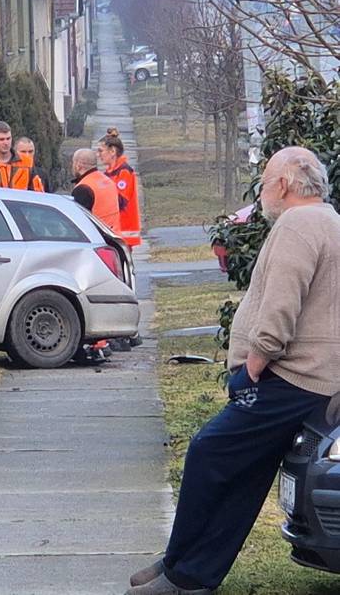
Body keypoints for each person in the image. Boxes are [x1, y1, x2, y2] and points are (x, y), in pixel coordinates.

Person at [125, 147, 340, 595]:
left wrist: (254, 364)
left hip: (292, 376)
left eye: (265, 182)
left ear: (283, 184)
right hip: (317, 378)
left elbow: (281, 305)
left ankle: (180, 567)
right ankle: (188, 570)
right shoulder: (330, 220)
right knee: (245, 478)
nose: (261, 192)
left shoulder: (298, 224)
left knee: (209, 452)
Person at [98, 135, 142, 247]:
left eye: (101, 151)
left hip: (124, 230)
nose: (98, 155)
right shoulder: (109, 173)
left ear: (112, 151)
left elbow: (120, 201)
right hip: (114, 229)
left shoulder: (124, 172)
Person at [0, 121, 43, 191]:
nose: (6, 143)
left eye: (8, 138)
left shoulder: (27, 163)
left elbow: (38, 192)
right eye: (1, 139)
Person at [71, 148, 121, 234]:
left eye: (73, 162)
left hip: (96, 236)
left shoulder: (83, 188)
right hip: (114, 234)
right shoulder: (108, 181)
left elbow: (79, 222)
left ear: (78, 165)